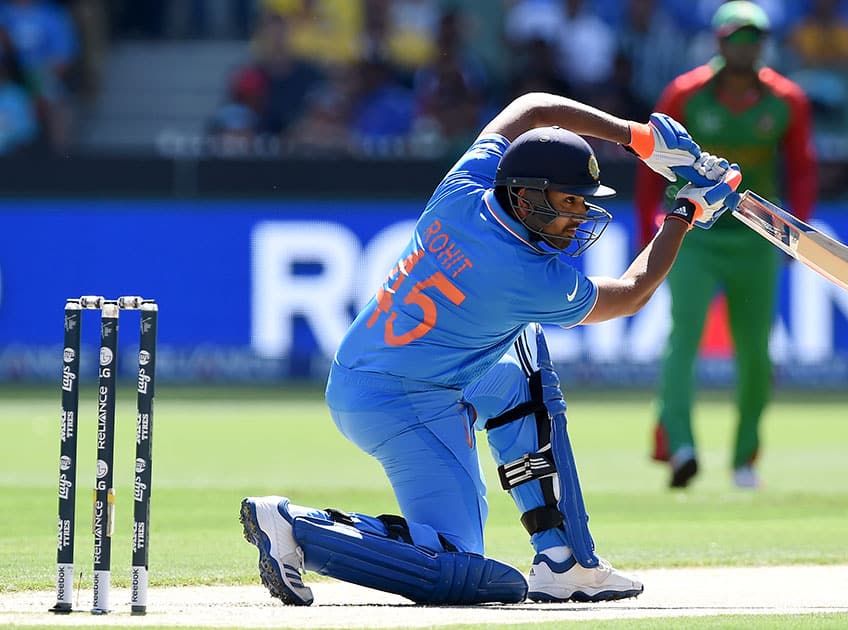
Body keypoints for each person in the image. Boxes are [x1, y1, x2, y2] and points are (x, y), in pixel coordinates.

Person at [240, 91, 742, 606]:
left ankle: (563, 560)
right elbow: (632, 294)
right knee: (465, 572)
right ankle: (296, 527)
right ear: (526, 196)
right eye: (570, 201)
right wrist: (685, 210)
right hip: (405, 402)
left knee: (523, 365)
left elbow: (531, 109)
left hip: (382, 370)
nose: (580, 216)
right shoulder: (523, 275)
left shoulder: (466, 187)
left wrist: (638, 137)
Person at [635, 1, 817, 490]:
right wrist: (647, 228)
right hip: (692, 230)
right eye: (737, 37)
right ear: (718, 42)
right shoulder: (686, 93)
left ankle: (744, 460)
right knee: (684, 338)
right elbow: (649, 162)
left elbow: (801, 167)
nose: (746, 46)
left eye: (754, 38)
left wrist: (796, 232)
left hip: (756, 233)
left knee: (756, 352)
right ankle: (680, 448)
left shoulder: (787, 99)